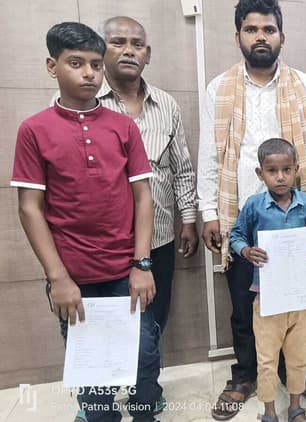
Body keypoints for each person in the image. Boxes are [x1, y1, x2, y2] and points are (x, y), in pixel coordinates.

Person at [12, 22, 161, 422]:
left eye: (96, 64)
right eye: (76, 63)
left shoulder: (123, 127)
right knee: (91, 366)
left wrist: (142, 264)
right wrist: (58, 278)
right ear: (52, 66)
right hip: (73, 276)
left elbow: (143, 197)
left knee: (144, 354)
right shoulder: (34, 130)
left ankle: (146, 414)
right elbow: (29, 208)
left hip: (125, 269)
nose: (89, 73)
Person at [196, 1, 306, 419]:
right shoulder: (218, 89)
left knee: (294, 304)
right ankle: (246, 374)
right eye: (251, 29)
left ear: (281, 36)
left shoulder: (304, 86)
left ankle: (295, 374)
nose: (260, 36)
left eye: (268, 29)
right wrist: (209, 212)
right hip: (242, 215)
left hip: (294, 216)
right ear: (238, 35)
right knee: (244, 303)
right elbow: (209, 155)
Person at [97, 16, 199, 332]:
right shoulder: (85, 102)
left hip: (160, 236)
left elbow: (182, 169)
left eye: (137, 45)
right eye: (118, 43)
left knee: (155, 321)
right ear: (100, 50)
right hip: (104, 243)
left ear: (148, 54)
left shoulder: (166, 104)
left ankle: (150, 366)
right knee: (111, 326)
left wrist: (188, 220)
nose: (129, 51)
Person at [229, 138, 306, 422]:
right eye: (272, 171)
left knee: (298, 356)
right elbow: (236, 236)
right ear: (260, 173)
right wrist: (246, 251)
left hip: (299, 296)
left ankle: (295, 408)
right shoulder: (254, 206)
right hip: (267, 296)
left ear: (296, 170)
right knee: (267, 359)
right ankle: (269, 412)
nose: (280, 177)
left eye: (286, 170)